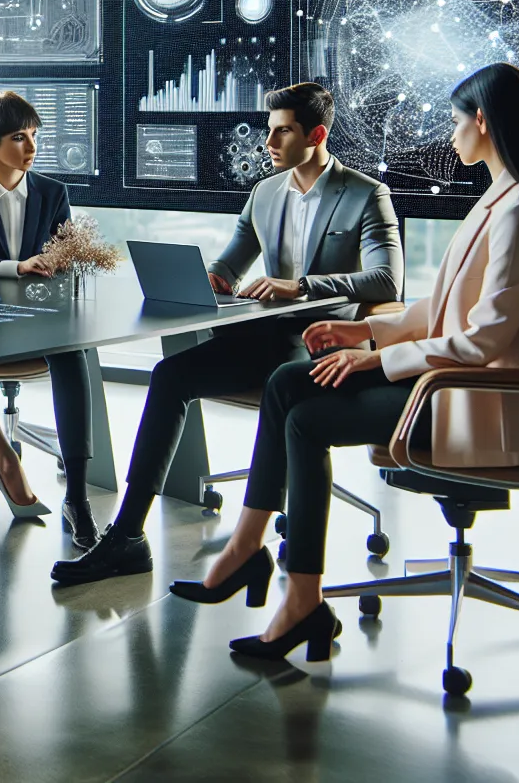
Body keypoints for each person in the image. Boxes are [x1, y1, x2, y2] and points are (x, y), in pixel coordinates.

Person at [187, 63, 519, 661]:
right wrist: (362, 327)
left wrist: (374, 359)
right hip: (449, 386)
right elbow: (442, 305)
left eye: (454, 122)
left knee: (306, 420)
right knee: (288, 381)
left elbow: (482, 342)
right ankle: (246, 545)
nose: (451, 136)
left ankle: (302, 601)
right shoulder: (497, 204)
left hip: (472, 401)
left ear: (483, 122)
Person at [52, 82, 402, 585]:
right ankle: (128, 536)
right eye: (268, 130)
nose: (268, 143)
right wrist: (214, 277)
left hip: (325, 339)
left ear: (317, 135)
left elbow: (387, 279)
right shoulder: (265, 193)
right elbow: (232, 261)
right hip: (267, 334)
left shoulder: (367, 195)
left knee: (281, 380)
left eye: (282, 132)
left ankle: (258, 540)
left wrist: (302, 285)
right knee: (170, 374)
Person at [0, 91, 100, 547]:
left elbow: (65, 256)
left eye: (34, 136)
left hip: (37, 312)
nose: (31, 148)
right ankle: (3, 456)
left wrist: (62, 265)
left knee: (72, 355)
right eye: (18, 138)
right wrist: (18, 267)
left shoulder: (53, 192)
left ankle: (77, 496)